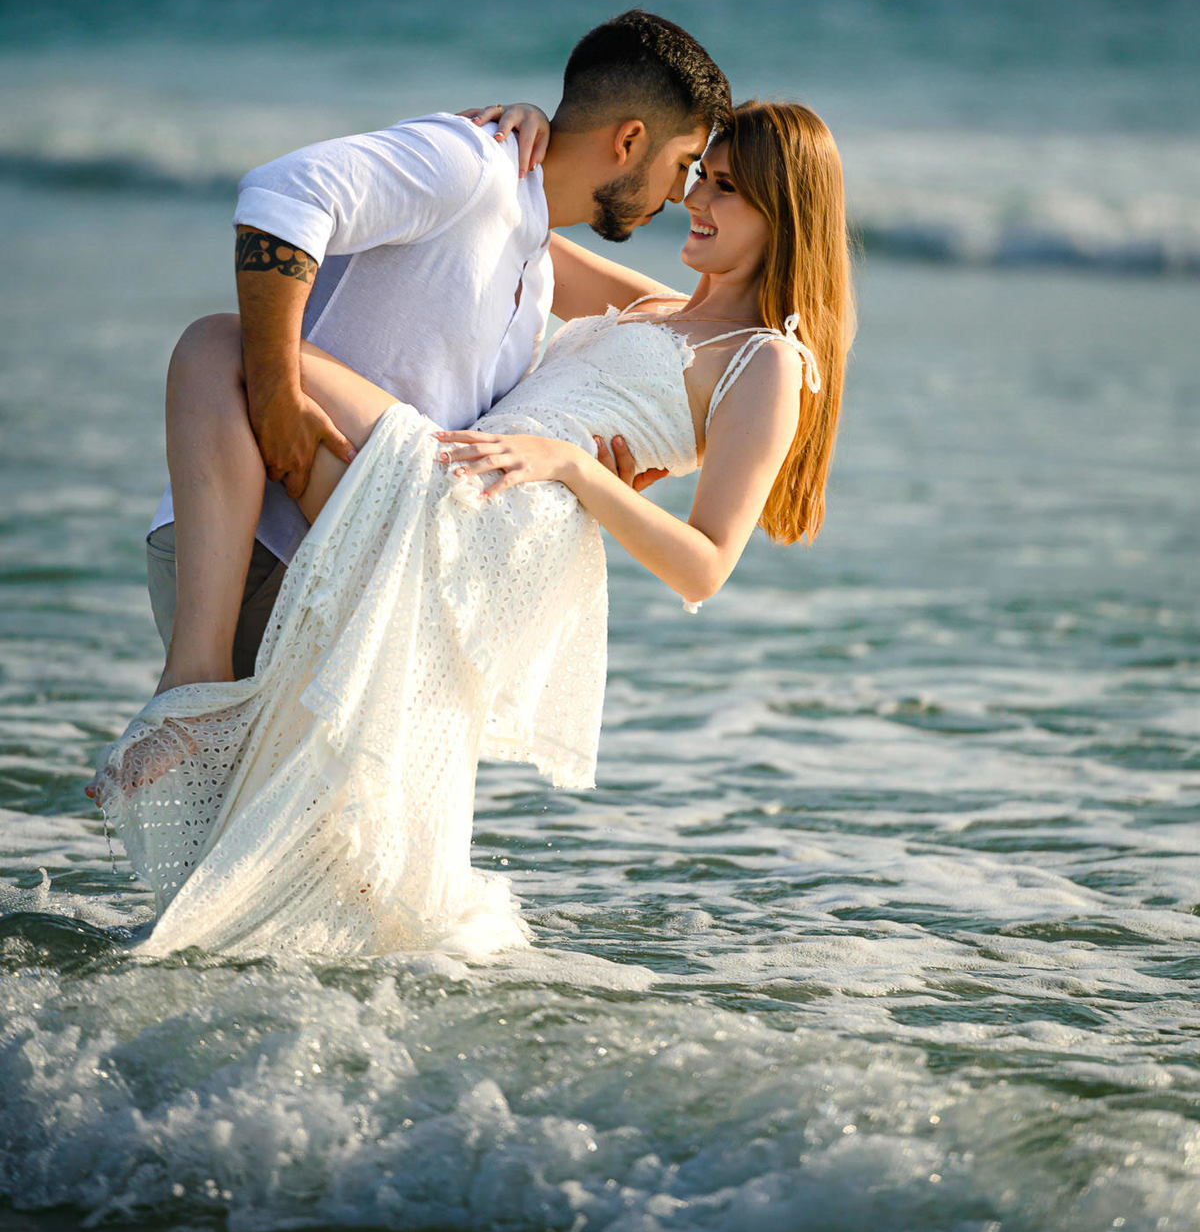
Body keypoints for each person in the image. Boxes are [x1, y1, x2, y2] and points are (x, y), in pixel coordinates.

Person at [89, 102, 855, 960]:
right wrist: (526, 128)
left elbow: (706, 565)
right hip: (467, 481)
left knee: (225, 346)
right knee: (218, 353)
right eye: (698, 176)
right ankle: (197, 693)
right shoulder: (656, 307)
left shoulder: (769, 362)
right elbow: (520, 220)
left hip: (501, 522)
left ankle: (191, 688)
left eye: (725, 190)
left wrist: (578, 469)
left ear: (785, 214)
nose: (694, 201)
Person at [145, 10, 729, 684]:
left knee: (256, 793)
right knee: (214, 771)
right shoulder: (471, 162)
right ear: (630, 138)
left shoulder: (533, 257)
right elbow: (284, 193)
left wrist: (593, 477)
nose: (682, 197)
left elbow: (690, 328)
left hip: (352, 558)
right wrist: (278, 392)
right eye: (685, 165)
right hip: (257, 536)